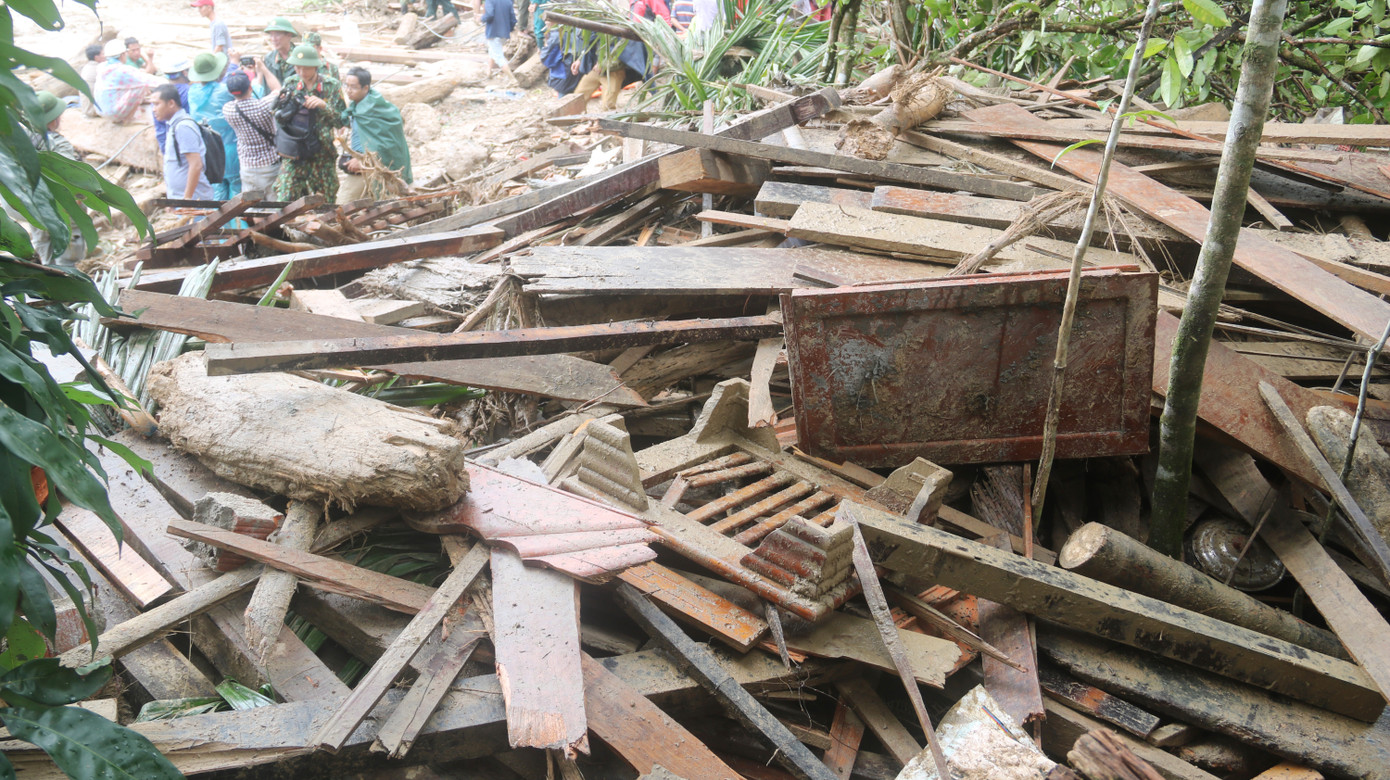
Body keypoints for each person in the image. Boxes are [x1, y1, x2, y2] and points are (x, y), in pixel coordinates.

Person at [272, 44, 347, 201]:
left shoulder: (331, 86)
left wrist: (323, 106)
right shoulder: (291, 84)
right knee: (285, 194)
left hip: (321, 150)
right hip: (295, 148)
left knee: (326, 197)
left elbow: (341, 120)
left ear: (315, 66)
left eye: (305, 68)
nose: (301, 73)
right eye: (297, 68)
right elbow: (279, 116)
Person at [26, 92, 85, 266]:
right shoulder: (58, 144)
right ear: (53, 120)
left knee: (43, 244)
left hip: (29, 203)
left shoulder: (21, 138)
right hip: (56, 203)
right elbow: (69, 175)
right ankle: (67, 277)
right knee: (68, 240)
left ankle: (49, 283)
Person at [339, 67, 412, 203]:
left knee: (344, 202)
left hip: (373, 164)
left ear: (365, 88)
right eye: (346, 86)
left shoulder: (374, 109)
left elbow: (385, 142)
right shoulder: (357, 106)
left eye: (353, 87)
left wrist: (363, 159)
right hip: (362, 163)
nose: (348, 90)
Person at [188, 51, 241, 199]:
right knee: (238, 194)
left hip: (209, 152)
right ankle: (240, 222)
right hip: (231, 149)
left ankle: (220, 222)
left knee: (218, 194)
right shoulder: (225, 91)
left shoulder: (192, 93)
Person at [222, 71, 281, 194]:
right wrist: (262, 68)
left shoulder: (228, 110)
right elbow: (277, 89)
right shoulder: (264, 105)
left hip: (247, 167)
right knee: (274, 205)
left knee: (252, 207)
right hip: (270, 164)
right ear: (250, 87)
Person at [153, 84, 214, 200]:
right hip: (180, 199)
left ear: (171, 103)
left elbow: (196, 164)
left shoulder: (183, 127)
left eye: (157, 104)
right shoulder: (174, 125)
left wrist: (187, 199)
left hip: (195, 200)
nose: (153, 109)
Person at [95, 39, 158, 123]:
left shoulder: (102, 66)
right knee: (141, 86)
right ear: (123, 54)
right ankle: (128, 119)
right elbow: (148, 80)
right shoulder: (122, 69)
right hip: (112, 112)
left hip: (100, 110)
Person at [153, 57, 192, 154]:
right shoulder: (191, 92)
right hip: (189, 146)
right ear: (185, 73)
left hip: (168, 147)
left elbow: (159, 128)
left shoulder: (158, 95)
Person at [260, 17, 301, 93]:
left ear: (289, 35)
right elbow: (266, 89)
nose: (273, 39)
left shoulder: (300, 57)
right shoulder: (269, 59)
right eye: (271, 35)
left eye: (277, 35)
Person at [481, 0, 516, 76]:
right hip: (504, 34)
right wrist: (510, 29)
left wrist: (482, 18)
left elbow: (489, 15)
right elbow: (513, 19)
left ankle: (512, 79)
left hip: (493, 32)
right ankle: (489, 71)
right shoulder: (508, 1)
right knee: (492, 50)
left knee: (499, 57)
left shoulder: (490, 1)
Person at [79, 43, 104, 116]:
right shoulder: (99, 68)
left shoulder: (86, 67)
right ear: (96, 57)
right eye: (103, 54)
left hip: (86, 108)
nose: (105, 56)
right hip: (93, 110)